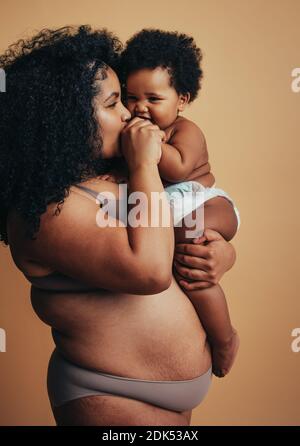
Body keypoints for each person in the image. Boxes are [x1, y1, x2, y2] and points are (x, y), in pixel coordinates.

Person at [0, 25, 237, 426]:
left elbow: (182, 223)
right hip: (108, 391)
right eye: (114, 103)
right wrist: (145, 163)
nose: (130, 112)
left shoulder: (116, 171)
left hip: (174, 395)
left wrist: (221, 253)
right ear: (67, 119)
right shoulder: (44, 211)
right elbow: (149, 270)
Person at [102, 29, 241, 377]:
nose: (140, 107)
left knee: (193, 261)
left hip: (205, 203)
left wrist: (147, 144)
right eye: (132, 97)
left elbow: (178, 167)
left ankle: (224, 337)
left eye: (154, 98)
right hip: (167, 211)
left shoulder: (184, 130)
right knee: (181, 263)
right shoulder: (129, 134)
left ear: (181, 98)